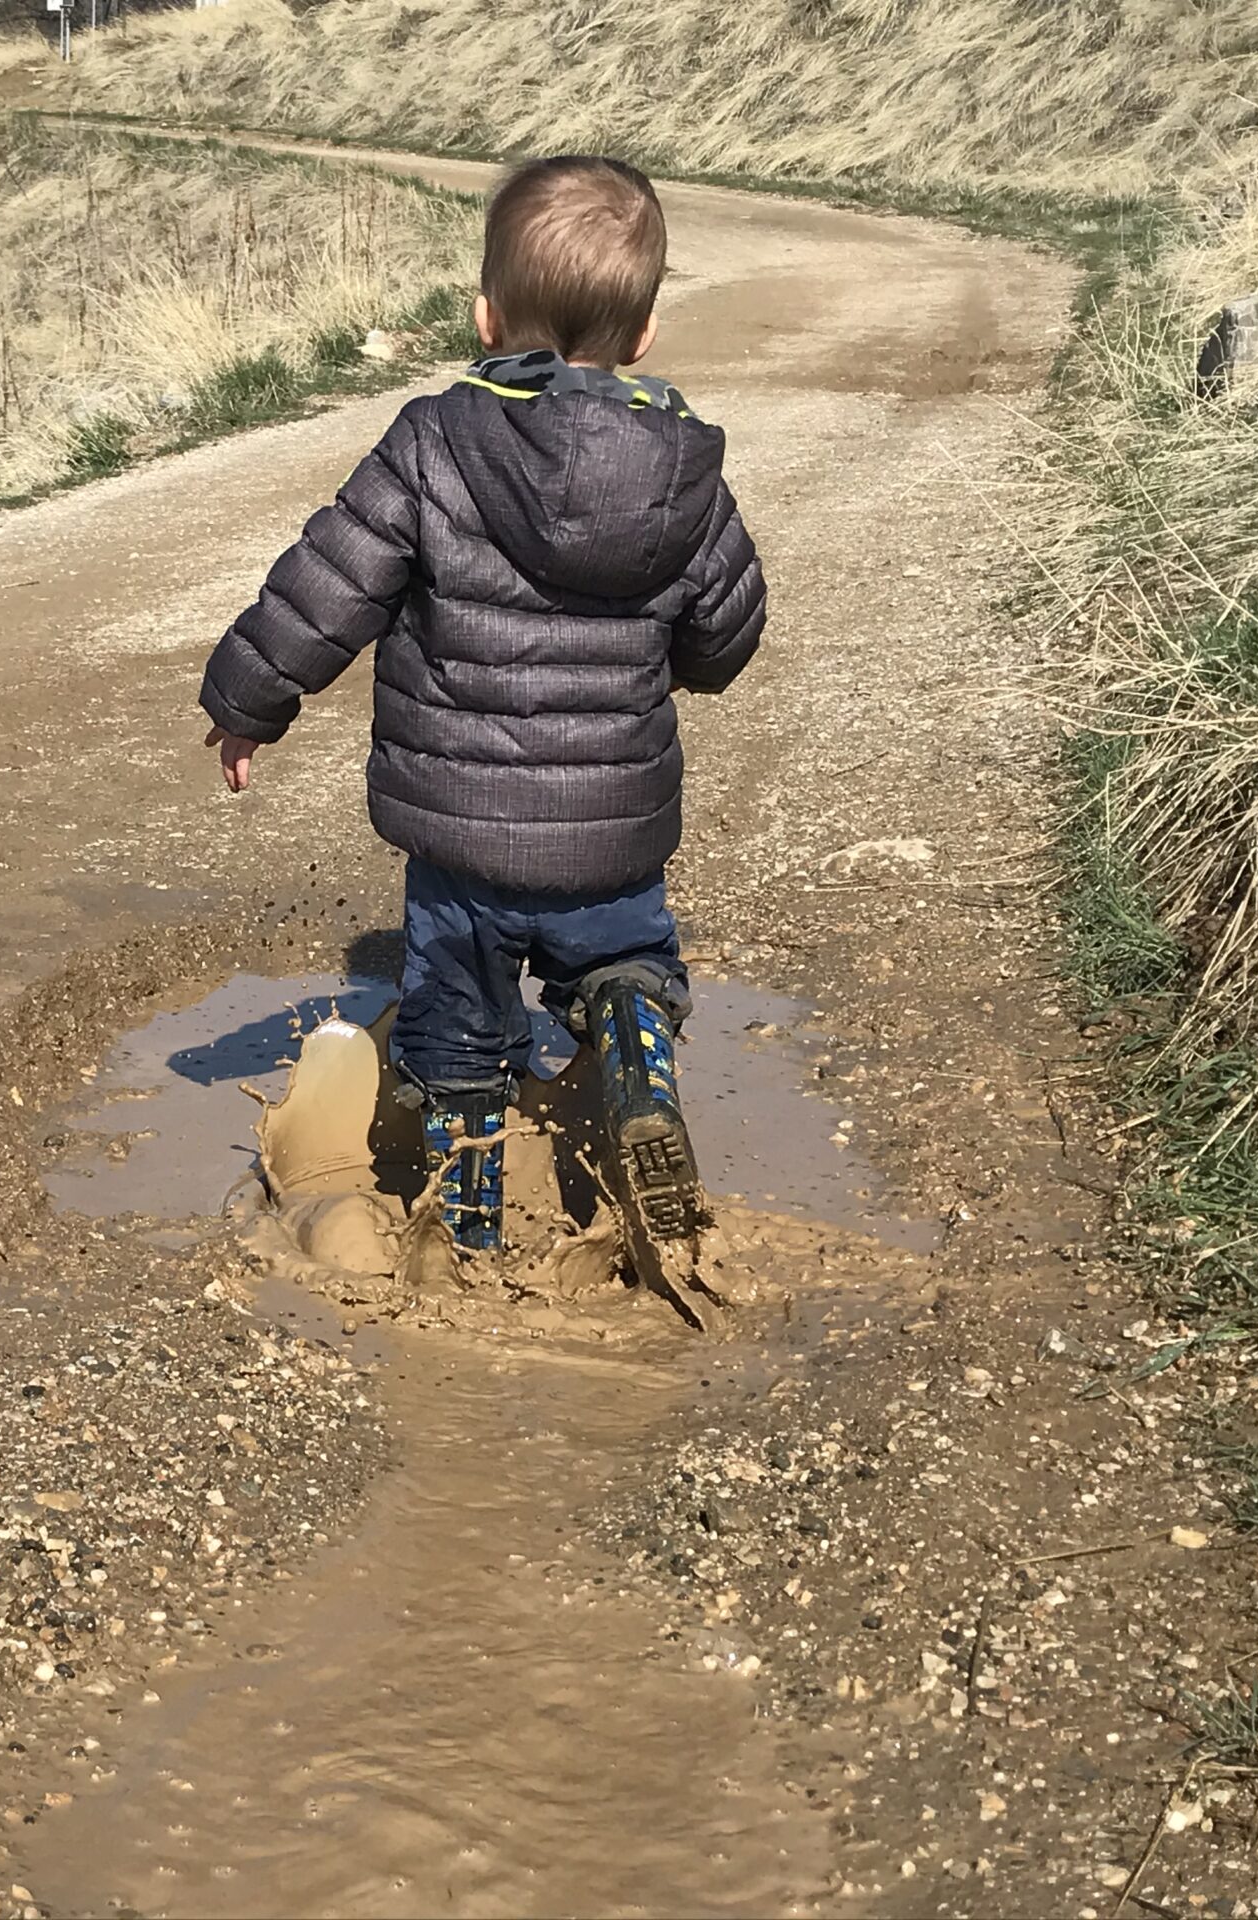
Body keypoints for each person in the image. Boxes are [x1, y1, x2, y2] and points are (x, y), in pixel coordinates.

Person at [198, 155, 766, 1293]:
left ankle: (461, 1220)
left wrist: (245, 703)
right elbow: (723, 636)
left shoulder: (431, 442)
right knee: (626, 961)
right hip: (611, 828)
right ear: (645, 333)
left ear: (485, 316)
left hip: (461, 841)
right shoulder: (683, 472)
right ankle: (636, 1061)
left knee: (457, 1027)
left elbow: (326, 586)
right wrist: (674, 655)